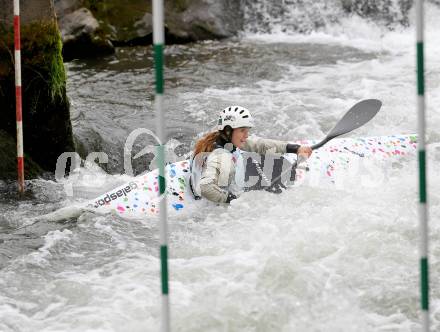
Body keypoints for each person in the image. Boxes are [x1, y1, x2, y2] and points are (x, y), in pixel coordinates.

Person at [190, 106, 312, 203]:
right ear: (228, 130)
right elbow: (205, 188)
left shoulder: (222, 140)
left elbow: (260, 145)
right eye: (242, 130)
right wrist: (232, 200)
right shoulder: (221, 156)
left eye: (247, 131)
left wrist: (295, 148)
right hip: (219, 202)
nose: (246, 135)